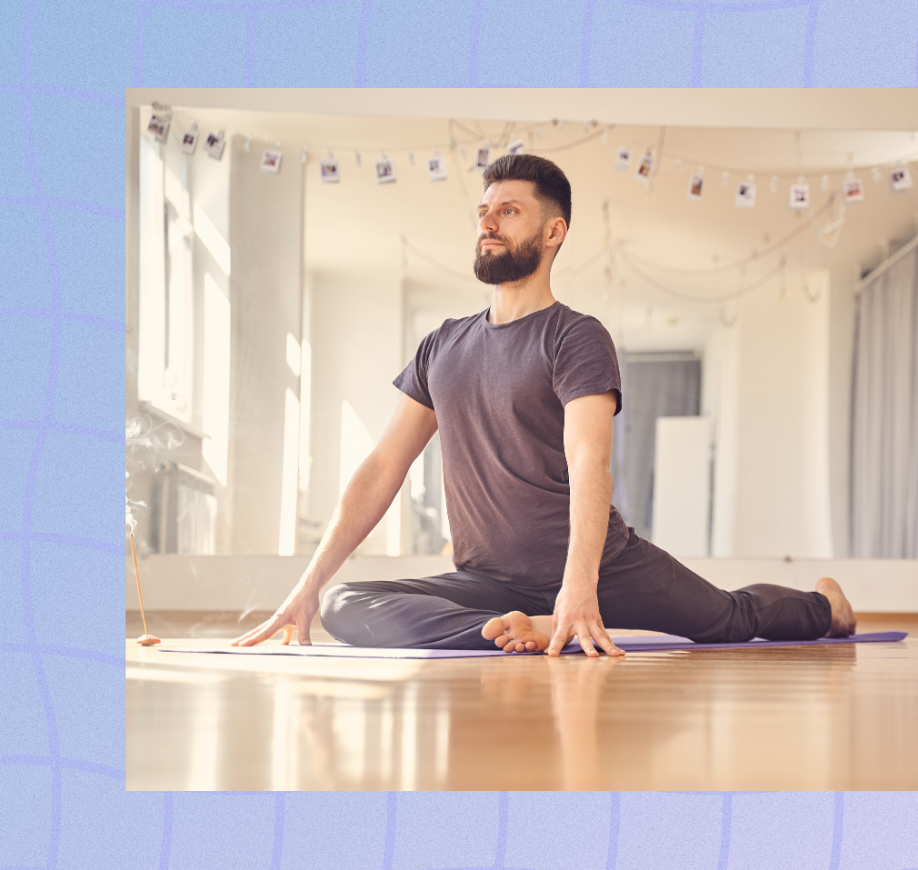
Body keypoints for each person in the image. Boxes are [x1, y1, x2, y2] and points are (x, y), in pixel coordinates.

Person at [232, 153, 856, 658]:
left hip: (604, 567)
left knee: (727, 618)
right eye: (484, 211)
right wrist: (306, 590)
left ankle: (825, 605)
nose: (488, 223)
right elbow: (381, 469)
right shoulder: (442, 345)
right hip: (488, 583)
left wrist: (577, 589)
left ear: (553, 232)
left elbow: (590, 462)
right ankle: (503, 630)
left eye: (508, 211)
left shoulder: (575, 336)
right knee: (345, 604)